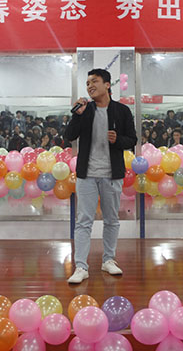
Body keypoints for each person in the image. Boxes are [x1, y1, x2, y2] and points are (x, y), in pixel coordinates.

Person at [65, 68, 137, 284]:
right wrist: (77, 115)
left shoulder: (122, 111)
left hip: (111, 174)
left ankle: (109, 260)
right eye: (87, 83)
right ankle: (81, 266)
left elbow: (132, 140)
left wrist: (118, 140)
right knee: (83, 221)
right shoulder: (84, 110)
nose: (90, 86)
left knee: (111, 220)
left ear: (107, 85)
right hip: (86, 174)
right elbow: (69, 136)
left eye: (94, 81)